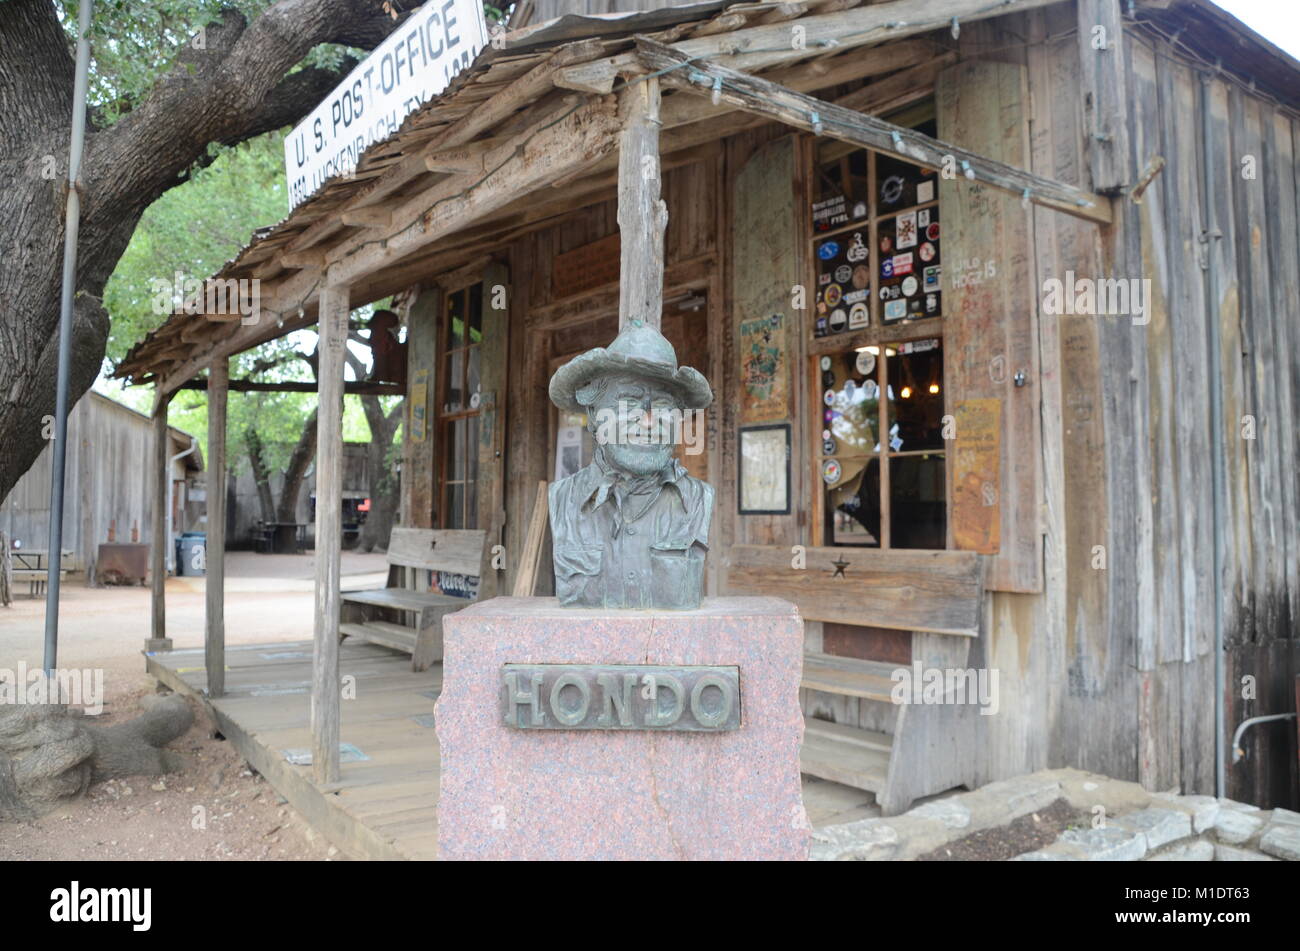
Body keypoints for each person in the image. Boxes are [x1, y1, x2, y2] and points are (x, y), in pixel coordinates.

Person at [547, 320, 713, 610]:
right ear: (595, 414)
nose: (649, 421)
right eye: (628, 402)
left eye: (662, 406)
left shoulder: (698, 500)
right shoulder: (562, 500)